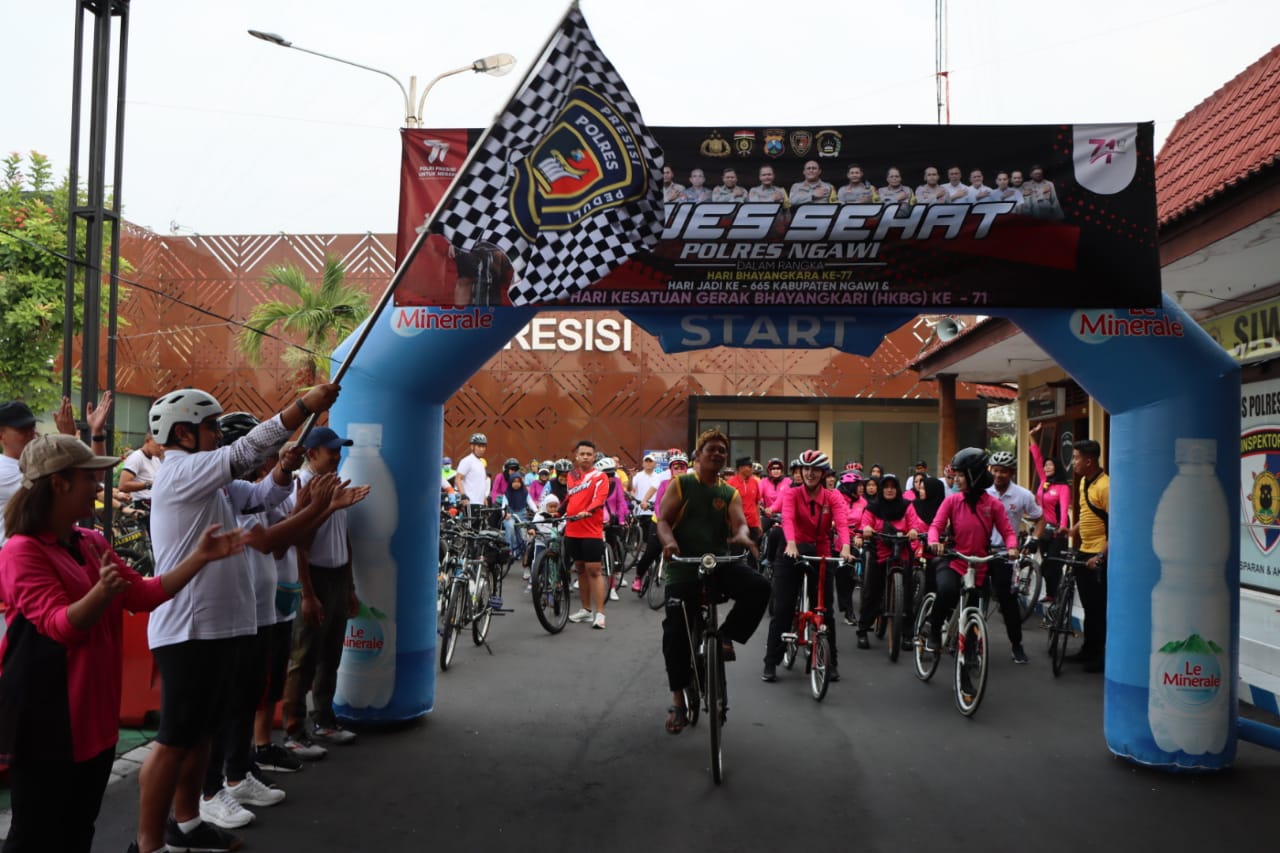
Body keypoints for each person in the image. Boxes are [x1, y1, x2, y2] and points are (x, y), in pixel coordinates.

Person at [0, 435, 247, 853]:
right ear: (58, 483)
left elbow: (143, 594)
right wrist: (100, 593)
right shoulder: (21, 551)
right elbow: (59, 626)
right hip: (46, 720)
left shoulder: (90, 542)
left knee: (79, 829)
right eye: (89, 477)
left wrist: (200, 558)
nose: (99, 486)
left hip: (95, 717)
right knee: (35, 835)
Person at [135, 383, 339, 853]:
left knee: (202, 732)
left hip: (219, 627)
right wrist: (303, 406)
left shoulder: (213, 480)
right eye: (211, 428)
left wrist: (285, 469)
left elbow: (263, 497)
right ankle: (148, 844)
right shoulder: (181, 471)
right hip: (188, 628)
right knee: (174, 740)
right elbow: (249, 448)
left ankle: (185, 824)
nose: (218, 437)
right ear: (183, 434)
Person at [656, 429, 768, 733]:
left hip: (717, 564)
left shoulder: (727, 492)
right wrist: (668, 543)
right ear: (698, 454)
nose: (717, 454)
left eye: (722, 450)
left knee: (759, 586)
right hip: (683, 568)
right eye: (711, 449)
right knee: (675, 634)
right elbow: (663, 520)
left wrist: (744, 536)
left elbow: (740, 523)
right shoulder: (682, 485)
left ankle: (725, 637)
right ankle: (678, 701)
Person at [281, 426, 363, 756]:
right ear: (311, 453)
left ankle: (324, 720)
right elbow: (299, 544)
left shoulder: (334, 484)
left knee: (331, 654)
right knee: (303, 657)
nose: (337, 455)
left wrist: (350, 587)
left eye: (338, 449)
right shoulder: (298, 485)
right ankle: (293, 730)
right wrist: (306, 593)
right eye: (331, 450)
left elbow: (342, 539)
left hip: (337, 578)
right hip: (311, 578)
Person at [761, 450, 852, 683]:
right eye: (806, 469)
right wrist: (791, 543)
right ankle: (771, 661)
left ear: (823, 474)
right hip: (792, 548)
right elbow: (788, 519)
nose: (810, 474)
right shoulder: (791, 494)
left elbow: (841, 523)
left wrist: (845, 547)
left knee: (825, 609)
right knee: (782, 607)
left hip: (820, 549)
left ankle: (831, 663)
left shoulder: (833, 497)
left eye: (816, 470)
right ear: (801, 472)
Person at [923, 449, 1018, 662]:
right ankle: (935, 630)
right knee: (947, 590)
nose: (956, 479)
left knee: (974, 610)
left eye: (960, 475)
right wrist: (934, 541)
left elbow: (1008, 532)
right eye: (955, 475)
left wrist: (1012, 548)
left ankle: (971, 650)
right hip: (954, 560)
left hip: (979, 566)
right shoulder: (952, 501)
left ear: (973, 476)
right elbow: (936, 526)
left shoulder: (993, 504)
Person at [1, 396, 112, 546]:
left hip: (52, 546)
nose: (31, 433)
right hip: (22, 552)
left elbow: (92, 476)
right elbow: (55, 487)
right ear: (1, 435)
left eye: (32, 427)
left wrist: (97, 433)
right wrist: (68, 438)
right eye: (22, 429)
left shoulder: (40, 459)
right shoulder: (3, 470)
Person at [985, 450, 1044, 664]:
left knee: (1008, 601)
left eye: (1004, 471)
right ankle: (967, 642)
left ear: (1011, 473)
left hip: (1005, 554)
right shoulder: (983, 492)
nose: (999, 475)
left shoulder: (1023, 495)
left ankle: (1016, 645)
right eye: (996, 470)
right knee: (970, 594)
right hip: (981, 551)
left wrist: (1035, 538)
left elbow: (1040, 518)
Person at [857, 473, 926, 649]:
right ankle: (863, 630)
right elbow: (865, 523)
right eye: (885, 486)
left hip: (902, 551)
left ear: (897, 489)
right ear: (881, 489)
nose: (889, 490)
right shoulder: (873, 507)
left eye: (892, 486)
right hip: (879, 550)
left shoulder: (907, 506)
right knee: (872, 591)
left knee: (908, 593)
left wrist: (913, 531)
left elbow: (914, 524)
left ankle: (907, 635)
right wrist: (866, 529)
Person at [1066, 439, 1108, 672]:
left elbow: (1116, 526)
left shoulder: (1106, 486)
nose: (1073, 462)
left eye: (1076, 457)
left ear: (1089, 460)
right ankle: (1087, 649)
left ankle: (1099, 656)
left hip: (1098, 554)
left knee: (1099, 608)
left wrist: (1100, 557)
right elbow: (1090, 513)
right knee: (1089, 606)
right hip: (1084, 550)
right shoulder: (1084, 482)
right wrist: (1074, 529)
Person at [563, 440, 610, 629]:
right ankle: (585, 610)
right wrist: (559, 512)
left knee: (594, 570)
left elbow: (599, 498)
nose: (585, 457)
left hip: (591, 530)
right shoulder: (571, 475)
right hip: (572, 530)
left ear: (594, 456)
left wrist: (588, 510)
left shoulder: (600, 476)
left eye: (589, 454)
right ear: (576, 456)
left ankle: (600, 613)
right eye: (582, 454)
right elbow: (570, 499)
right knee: (580, 569)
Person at [630, 453, 688, 591]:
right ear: (671, 469)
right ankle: (639, 576)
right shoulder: (664, 484)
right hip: (659, 522)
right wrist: (661, 518)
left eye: (682, 467)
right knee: (651, 552)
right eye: (676, 467)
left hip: (679, 524)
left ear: (686, 469)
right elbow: (657, 504)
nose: (679, 470)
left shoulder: (690, 485)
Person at [1028, 423, 1072, 602]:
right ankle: (1051, 594)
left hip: (1057, 529)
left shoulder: (1062, 487)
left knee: (1052, 563)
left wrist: (1062, 527)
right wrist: (1031, 436)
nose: (1046, 468)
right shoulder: (1044, 481)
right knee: (1045, 560)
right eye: (1045, 466)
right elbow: (1036, 457)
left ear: (1057, 468)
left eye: (1050, 465)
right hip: (1043, 527)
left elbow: (1063, 507)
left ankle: (1060, 592)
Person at [835, 470, 867, 625]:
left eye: (862, 485)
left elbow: (865, 521)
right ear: (849, 486)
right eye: (858, 485)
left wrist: (860, 536)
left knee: (847, 577)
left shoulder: (863, 502)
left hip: (854, 542)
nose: (861, 488)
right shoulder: (836, 497)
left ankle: (848, 611)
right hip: (834, 540)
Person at [596, 457, 629, 600]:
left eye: (611, 474)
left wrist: (622, 519)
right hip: (595, 522)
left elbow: (621, 501)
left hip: (612, 521)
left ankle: (613, 586)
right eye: (606, 475)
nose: (610, 478)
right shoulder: (594, 484)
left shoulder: (617, 483)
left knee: (613, 554)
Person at [118, 434, 165, 510]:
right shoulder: (136, 457)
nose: (161, 447)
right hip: (142, 505)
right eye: (158, 444)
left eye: (163, 444)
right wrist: (148, 484)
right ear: (147, 440)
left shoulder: (156, 459)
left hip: (155, 503)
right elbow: (123, 485)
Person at [725, 456, 762, 546]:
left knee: (753, 554)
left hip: (753, 524)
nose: (751, 469)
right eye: (749, 467)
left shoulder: (755, 482)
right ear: (741, 468)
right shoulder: (730, 483)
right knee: (737, 554)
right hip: (736, 525)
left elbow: (756, 504)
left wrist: (759, 524)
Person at [455, 433, 489, 510]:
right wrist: (463, 495)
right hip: (470, 502)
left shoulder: (481, 463)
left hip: (480, 503)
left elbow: (480, 483)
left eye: (483, 446)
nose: (482, 449)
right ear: (472, 446)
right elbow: (458, 479)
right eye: (479, 446)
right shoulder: (467, 461)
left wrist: (484, 498)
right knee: (470, 522)